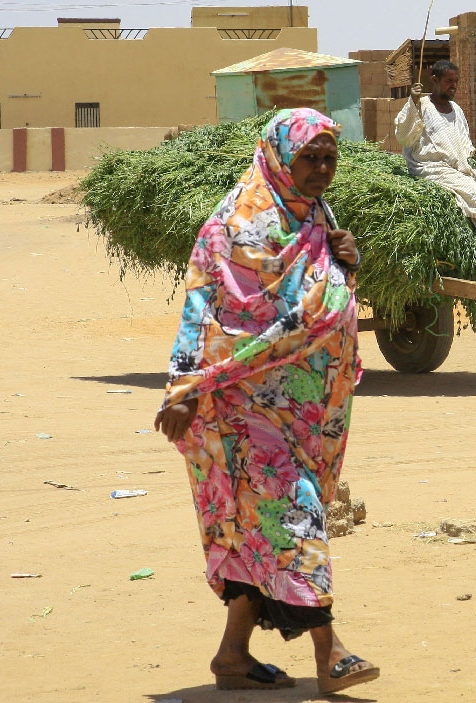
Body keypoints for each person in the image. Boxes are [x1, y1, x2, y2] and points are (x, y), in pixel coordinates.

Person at [153, 108, 380, 694]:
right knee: (293, 515)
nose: (322, 169)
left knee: (255, 524)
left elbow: (321, 302)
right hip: (238, 407)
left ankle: (233, 656)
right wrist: (184, 390)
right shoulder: (236, 225)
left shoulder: (316, 218)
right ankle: (331, 653)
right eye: (309, 157)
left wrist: (344, 265)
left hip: (300, 406)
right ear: (281, 155)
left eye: (329, 158)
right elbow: (204, 308)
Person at [394, 60, 476, 272]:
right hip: (431, 167)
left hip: (460, 168)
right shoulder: (421, 106)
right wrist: (413, 102)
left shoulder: (456, 110)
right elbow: (404, 137)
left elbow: (462, 141)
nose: (453, 85)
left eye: (456, 81)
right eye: (448, 81)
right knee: (475, 196)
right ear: (434, 81)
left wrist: (471, 152)